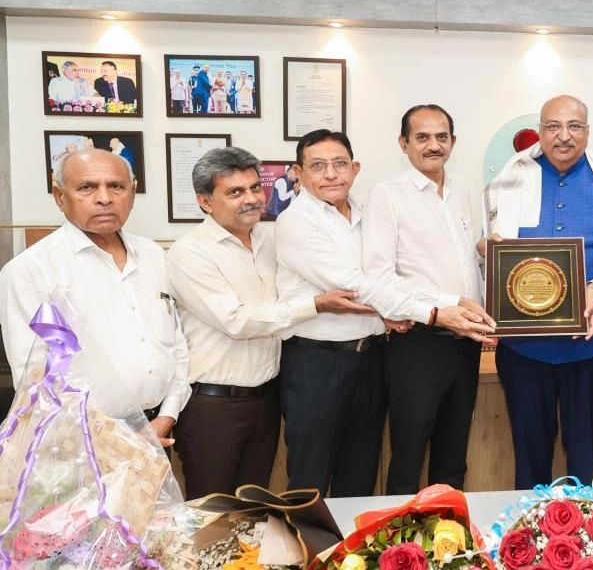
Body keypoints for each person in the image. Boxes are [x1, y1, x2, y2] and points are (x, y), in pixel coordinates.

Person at [275, 129, 494, 497]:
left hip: (372, 358)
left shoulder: (365, 212)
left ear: (355, 168)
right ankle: (306, 540)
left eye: (339, 163)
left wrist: (451, 300)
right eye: (317, 166)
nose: (331, 174)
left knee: (360, 477)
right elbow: (356, 284)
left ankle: (352, 539)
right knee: (310, 480)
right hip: (319, 365)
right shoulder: (296, 222)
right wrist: (434, 313)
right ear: (298, 172)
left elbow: (393, 278)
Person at [167, 146, 363, 499]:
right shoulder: (190, 252)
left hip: (267, 398)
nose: (251, 199)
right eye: (235, 192)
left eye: (255, 187)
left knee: (255, 507)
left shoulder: (270, 239)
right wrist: (314, 305)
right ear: (205, 202)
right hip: (213, 405)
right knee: (211, 511)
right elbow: (236, 321)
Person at [483, 95, 593, 488]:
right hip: (524, 349)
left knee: (586, 454)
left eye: (574, 126)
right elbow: (492, 254)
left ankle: (586, 527)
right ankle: (530, 526)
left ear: (587, 132)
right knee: (529, 454)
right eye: (554, 126)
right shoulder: (510, 181)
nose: (564, 135)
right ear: (539, 131)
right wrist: (485, 249)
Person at [0, 149, 189, 446]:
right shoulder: (32, 272)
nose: (104, 198)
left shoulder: (153, 255)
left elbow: (176, 343)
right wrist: (107, 439)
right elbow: (37, 377)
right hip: (81, 444)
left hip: (157, 429)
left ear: (132, 191)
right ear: (59, 196)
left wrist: (167, 415)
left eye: (116, 186)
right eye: (87, 187)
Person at [363, 104, 497, 494]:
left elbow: (459, 261)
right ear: (403, 143)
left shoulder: (461, 191)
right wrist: (449, 304)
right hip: (417, 345)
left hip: (465, 345)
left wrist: (488, 256)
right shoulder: (388, 194)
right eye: (422, 137)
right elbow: (379, 276)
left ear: (453, 142)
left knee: (452, 460)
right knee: (407, 462)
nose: (433, 145)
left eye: (442, 137)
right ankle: (399, 536)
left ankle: (450, 532)